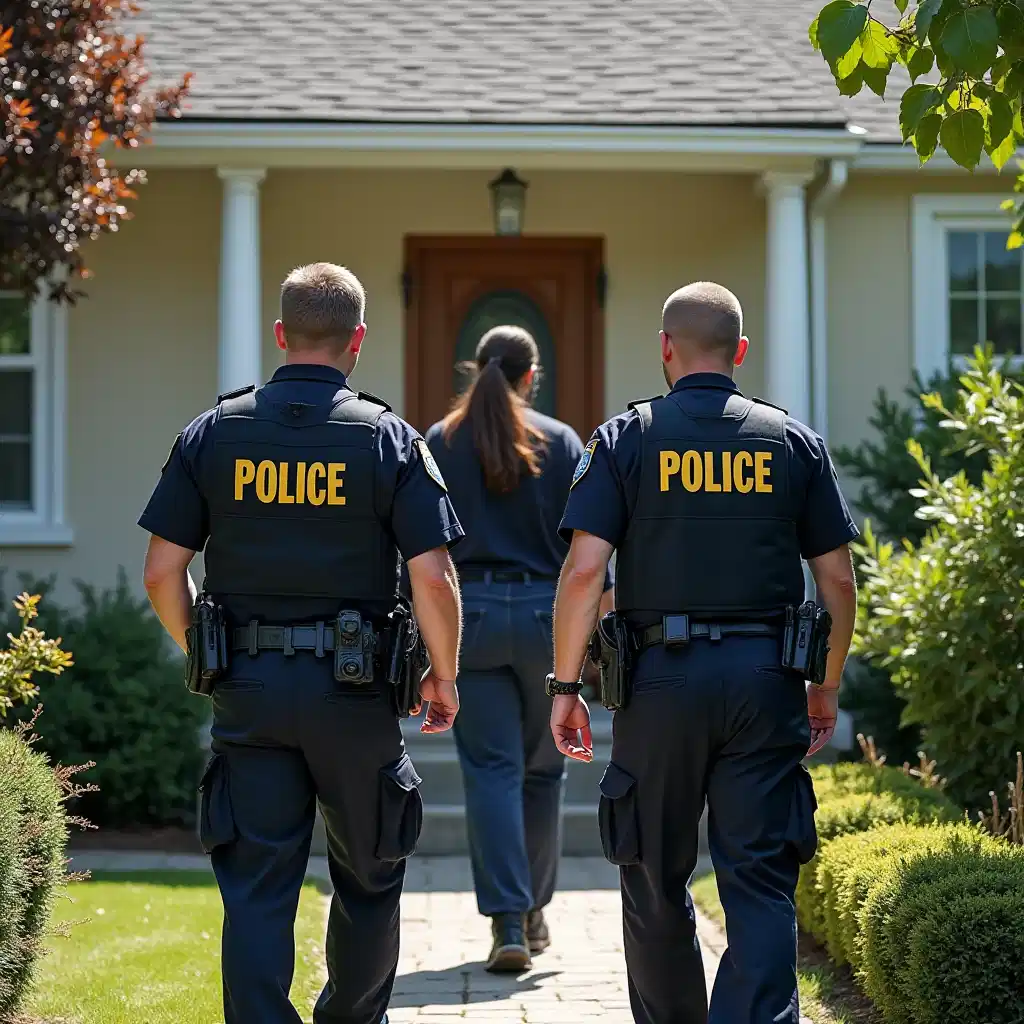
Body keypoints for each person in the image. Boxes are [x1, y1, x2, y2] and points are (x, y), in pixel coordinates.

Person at [138, 263, 464, 1024]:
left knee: (256, 882)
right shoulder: (387, 437)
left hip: (247, 688)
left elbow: (161, 571)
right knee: (372, 871)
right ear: (357, 340)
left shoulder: (213, 432)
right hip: (354, 694)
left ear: (281, 335)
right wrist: (443, 675)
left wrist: (207, 651)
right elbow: (435, 577)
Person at [547, 282, 858, 1024]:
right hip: (766, 680)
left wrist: (565, 685)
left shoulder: (625, 438)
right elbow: (839, 578)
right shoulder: (792, 441)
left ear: (665, 348)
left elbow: (585, 572)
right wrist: (827, 683)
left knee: (652, 871)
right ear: (739, 352)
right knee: (759, 876)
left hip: (660, 683)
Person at [424, 326, 613, 973]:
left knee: (491, 772)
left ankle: (507, 918)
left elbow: (425, 553)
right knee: (544, 771)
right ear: (533, 377)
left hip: (469, 619)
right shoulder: (562, 442)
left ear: (475, 370)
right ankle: (533, 912)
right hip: (544, 620)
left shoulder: (440, 442)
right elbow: (585, 556)